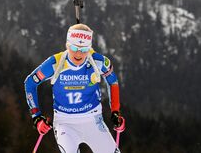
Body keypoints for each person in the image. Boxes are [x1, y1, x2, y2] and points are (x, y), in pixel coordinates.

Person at [24, 23, 125, 153]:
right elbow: (30, 83)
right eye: (73, 47)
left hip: (93, 120)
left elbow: (113, 82)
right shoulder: (55, 63)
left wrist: (115, 111)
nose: (78, 53)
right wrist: (36, 117)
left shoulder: (99, 62)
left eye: (83, 50)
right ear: (67, 45)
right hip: (65, 123)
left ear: (89, 49)